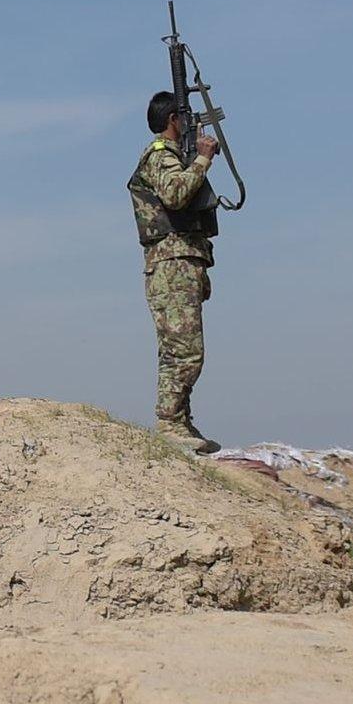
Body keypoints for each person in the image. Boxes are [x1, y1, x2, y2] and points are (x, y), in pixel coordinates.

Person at [128, 91, 222, 455]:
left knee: (181, 347)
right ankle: (169, 422)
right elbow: (175, 193)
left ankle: (180, 420)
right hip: (172, 262)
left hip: (183, 259)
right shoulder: (159, 157)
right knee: (184, 350)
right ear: (173, 121)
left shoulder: (169, 156)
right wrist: (202, 159)